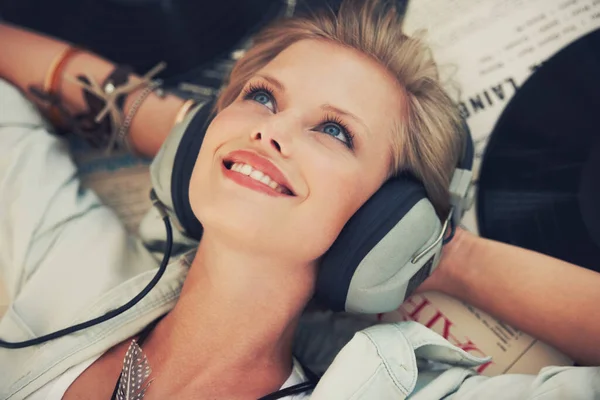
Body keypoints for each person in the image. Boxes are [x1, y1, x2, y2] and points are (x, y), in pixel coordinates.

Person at [0, 1, 599, 399]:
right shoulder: (71, 276)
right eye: (262, 97)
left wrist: (443, 252)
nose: (271, 130)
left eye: (335, 131)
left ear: (384, 222)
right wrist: (179, 131)